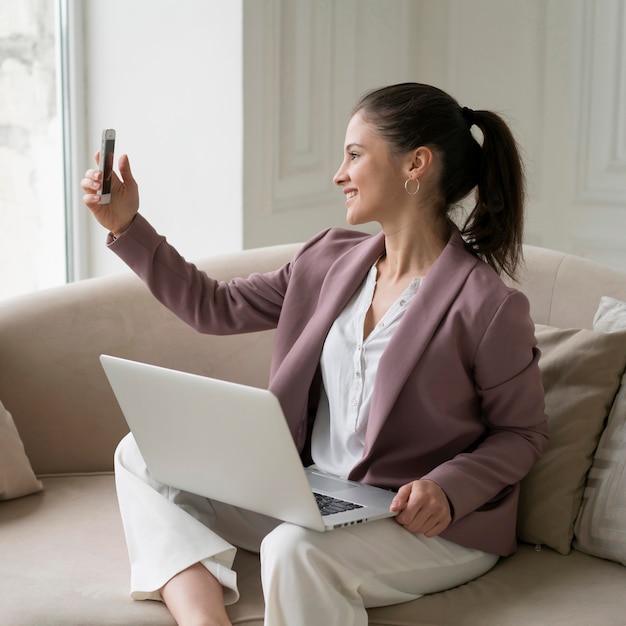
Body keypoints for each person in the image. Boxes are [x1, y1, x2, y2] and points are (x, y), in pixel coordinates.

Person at [81, 83, 548, 626]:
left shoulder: (487, 306)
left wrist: (447, 488)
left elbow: (523, 434)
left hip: (423, 525)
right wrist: (127, 228)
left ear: (415, 164)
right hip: (314, 495)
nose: (338, 173)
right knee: (142, 451)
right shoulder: (329, 259)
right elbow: (214, 306)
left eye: (354, 154)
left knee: (291, 549)